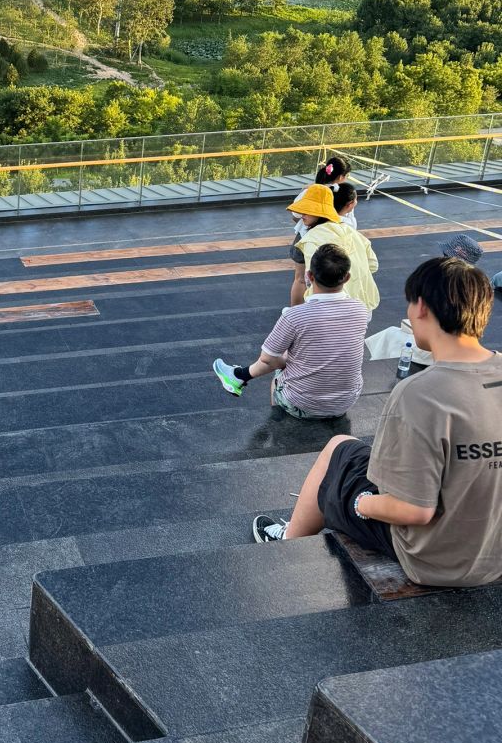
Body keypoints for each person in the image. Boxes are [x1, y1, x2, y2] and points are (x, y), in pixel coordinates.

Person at [253, 257, 502, 589]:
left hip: (438, 559)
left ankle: (288, 539)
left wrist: (360, 504)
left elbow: (415, 511)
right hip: (495, 550)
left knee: (340, 451)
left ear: (422, 309)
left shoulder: (419, 394)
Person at [213, 244, 370, 417]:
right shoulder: (361, 309)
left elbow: (266, 360)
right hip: (345, 402)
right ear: (347, 278)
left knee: (278, 372)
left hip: (304, 404)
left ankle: (278, 423)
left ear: (309, 276)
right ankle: (239, 375)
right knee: (300, 353)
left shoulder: (295, 316)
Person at [287, 185, 379, 315]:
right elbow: (373, 265)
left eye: (307, 210)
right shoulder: (352, 232)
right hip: (361, 307)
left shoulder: (312, 239)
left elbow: (311, 278)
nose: (302, 214)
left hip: (327, 309)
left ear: (320, 212)